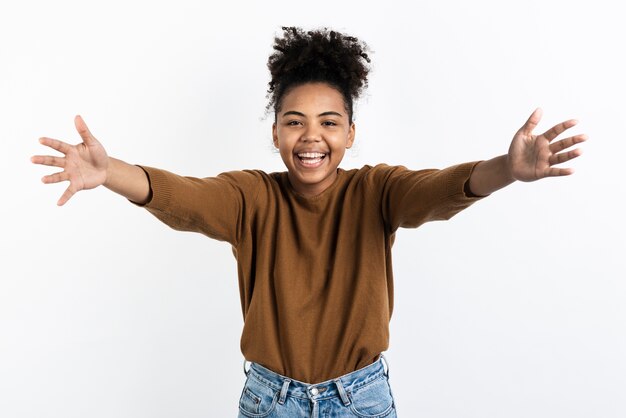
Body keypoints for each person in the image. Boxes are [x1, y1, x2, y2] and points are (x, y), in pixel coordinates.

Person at [32, 27, 586, 418]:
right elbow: (186, 198)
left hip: (362, 399)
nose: (311, 137)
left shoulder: (376, 190)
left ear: (349, 132)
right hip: (269, 400)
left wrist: (505, 171)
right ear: (275, 133)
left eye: (328, 122)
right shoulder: (252, 197)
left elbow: (437, 190)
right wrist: (111, 173)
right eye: (294, 122)